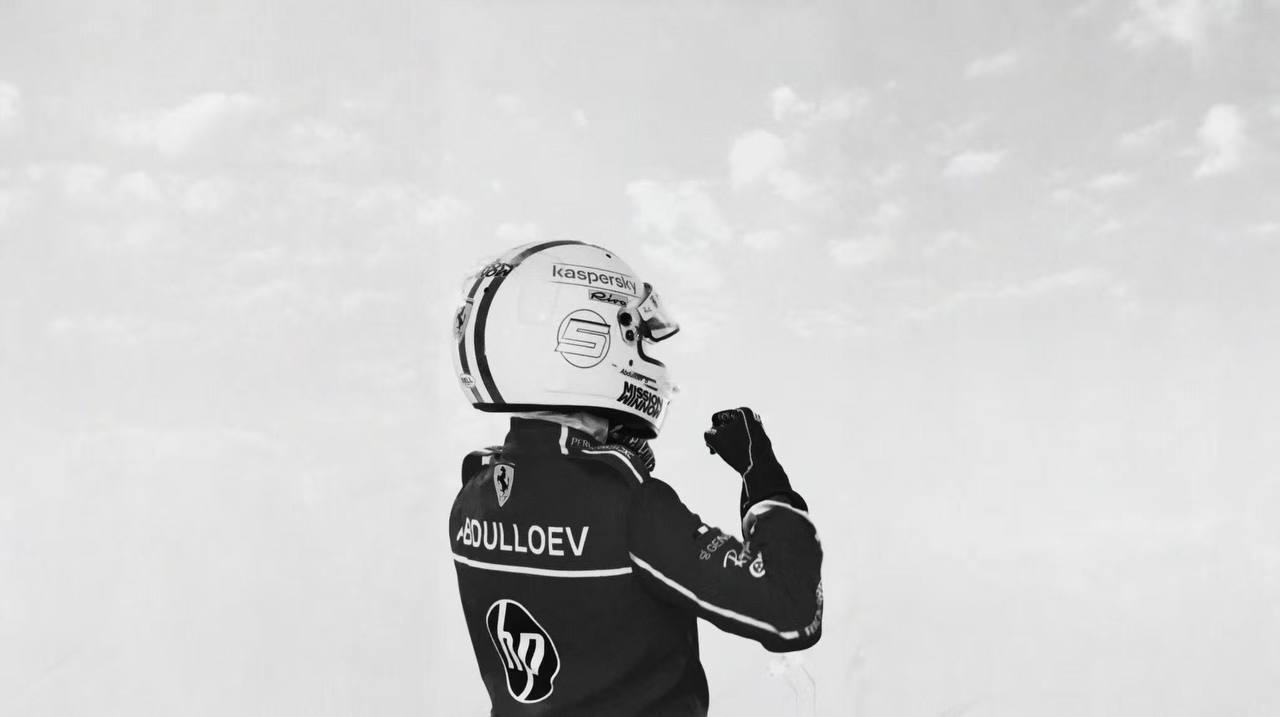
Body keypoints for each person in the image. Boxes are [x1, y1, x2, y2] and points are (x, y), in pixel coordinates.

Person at [449, 241, 823, 716]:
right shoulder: (629, 506)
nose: (644, 354)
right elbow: (792, 614)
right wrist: (763, 477)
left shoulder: (473, 495)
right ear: (586, 340)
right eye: (637, 338)